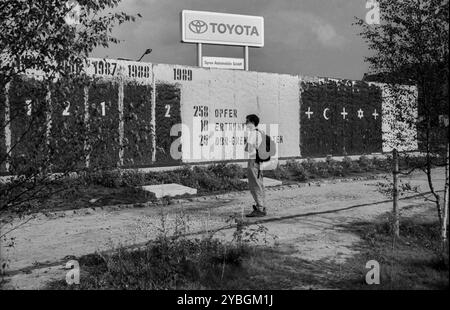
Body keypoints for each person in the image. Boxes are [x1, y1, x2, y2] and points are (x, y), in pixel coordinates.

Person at [244, 114, 266, 217]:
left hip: (253, 160)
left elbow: (247, 148)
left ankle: (259, 208)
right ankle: (262, 206)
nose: (246, 123)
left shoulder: (253, 134)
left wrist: (246, 141)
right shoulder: (261, 132)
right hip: (260, 161)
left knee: (254, 185)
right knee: (260, 184)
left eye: (247, 121)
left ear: (252, 122)